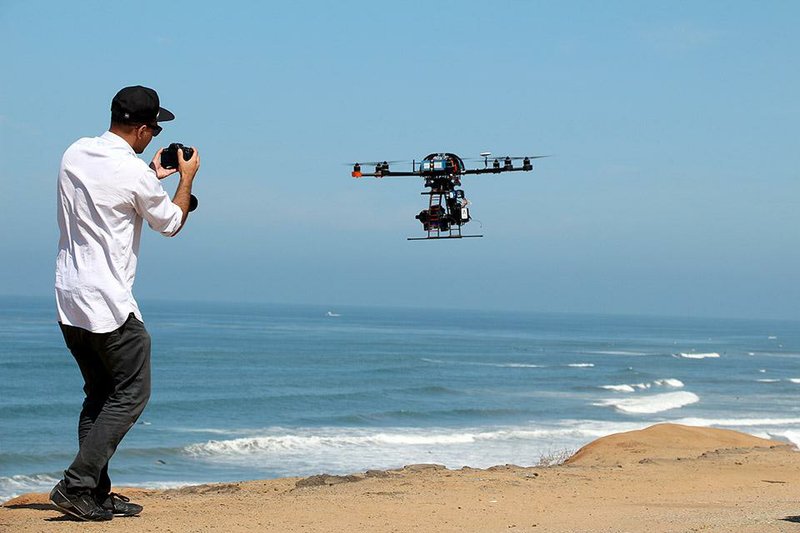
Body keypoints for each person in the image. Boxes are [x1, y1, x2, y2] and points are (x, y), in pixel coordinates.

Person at [49, 85, 200, 521]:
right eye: (153, 128)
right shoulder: (132, 175)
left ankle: (93, 493)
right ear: (139, 128)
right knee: (131, 395)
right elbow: (171, 223)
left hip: (69, 297)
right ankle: (75, 485)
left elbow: (109, 194)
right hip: (108, 303)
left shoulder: (75, 152)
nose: (153, 136)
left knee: (98, 397)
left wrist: (152, 175)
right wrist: (187, 178)